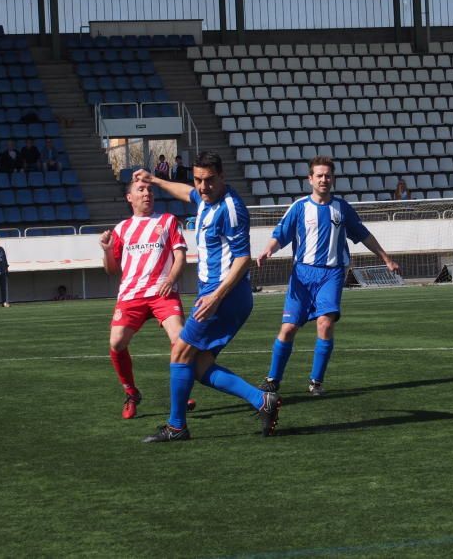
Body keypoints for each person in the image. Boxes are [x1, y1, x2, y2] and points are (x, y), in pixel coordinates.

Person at [132, 152, 280, 443]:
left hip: (225, 296)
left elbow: (243, 259)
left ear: (222, 177)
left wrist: (216, 296)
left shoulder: (230, 208)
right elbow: (186, 192)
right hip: (215, 295)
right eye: (198, 180)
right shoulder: (204, 198)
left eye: (209, 180)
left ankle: (177, 427)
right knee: (199, 366)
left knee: (180, 353)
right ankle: (262, 400)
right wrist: (156, 180)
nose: (202, 186)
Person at [256, 156, 400, 396]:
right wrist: (268, 250)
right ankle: (273, 379)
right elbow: (281, 234)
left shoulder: (342, 208)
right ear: (310, 179)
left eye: (328, 175)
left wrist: (386, 258)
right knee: (289, 328)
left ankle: (316, 382)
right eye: (319, 175)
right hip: (302, 274)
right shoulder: (299, 207)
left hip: (332, 274)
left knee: (325, 323)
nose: (324, 179)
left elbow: (363, 235)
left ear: (333, 179)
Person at [98, 175, 189, 420]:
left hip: (163, 292)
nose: (147, 193)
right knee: (116, 343)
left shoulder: (168, 221)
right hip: (131, 295)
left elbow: (180, 257)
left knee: (179, 337)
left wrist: (170, 280)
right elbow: (112, 269)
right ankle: (131, 392)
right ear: (130, 197)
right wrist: (107, 251)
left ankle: (181, 390)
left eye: (149, 190)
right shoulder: (121, 229)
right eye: (141, 190)